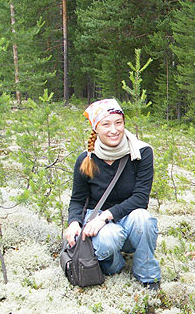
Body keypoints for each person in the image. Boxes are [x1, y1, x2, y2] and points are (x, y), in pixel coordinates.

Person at [64, 99, 161, 290]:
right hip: (97, 217)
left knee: (144, 218)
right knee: (109, 238)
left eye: (118, 123)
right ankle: (114, 266)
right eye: (106, 124)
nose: (114, 130)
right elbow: (77, 199)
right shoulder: (86, 159)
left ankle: (148, 276)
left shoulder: (142, 153)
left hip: (128, 215)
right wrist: (74, 222)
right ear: (96, 128)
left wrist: (105, 217)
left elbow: (140, 199)